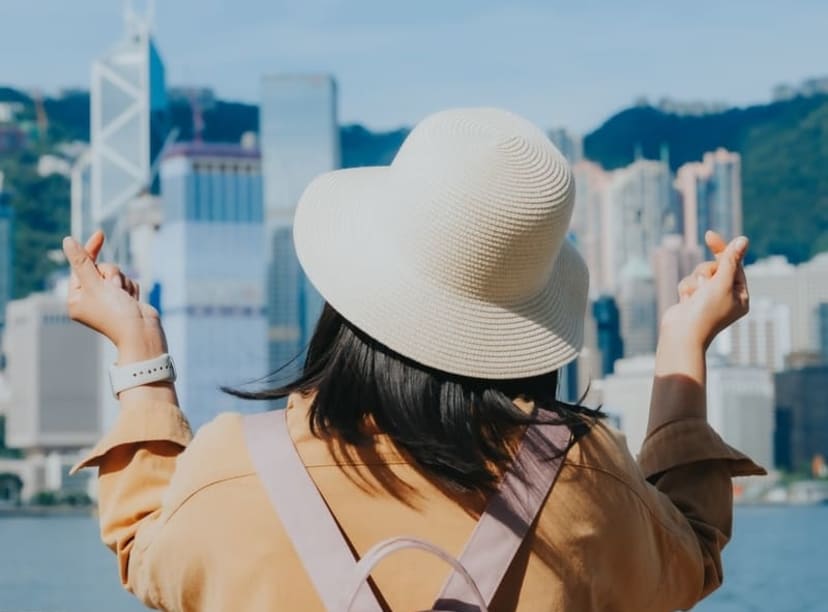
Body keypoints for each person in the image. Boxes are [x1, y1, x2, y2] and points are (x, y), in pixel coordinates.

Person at [63, 108, 764, 612]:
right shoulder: (590, 485)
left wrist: (140, 357)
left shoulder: (225, 473)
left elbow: (142, 545)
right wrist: (682, 350)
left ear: (350, 293)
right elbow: (691, 552)